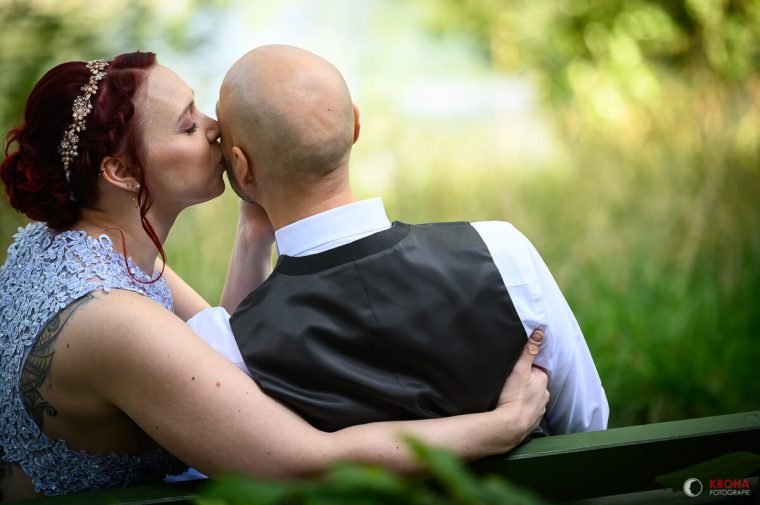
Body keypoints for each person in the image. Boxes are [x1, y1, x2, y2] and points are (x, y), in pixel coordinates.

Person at [0, 51, 549, 500]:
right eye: (189, 125)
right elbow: (305, 462)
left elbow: (221, 359)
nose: (217, 131)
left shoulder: (65, 246)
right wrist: (500, 427)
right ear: (120, 172)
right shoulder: (115, 321)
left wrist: (252, 238)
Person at [205, 44, 608, 434]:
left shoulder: (229, 347)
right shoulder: (502, 252)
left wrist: (250, 236)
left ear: (240, 166)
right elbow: (588, 428)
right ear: (356, 127)